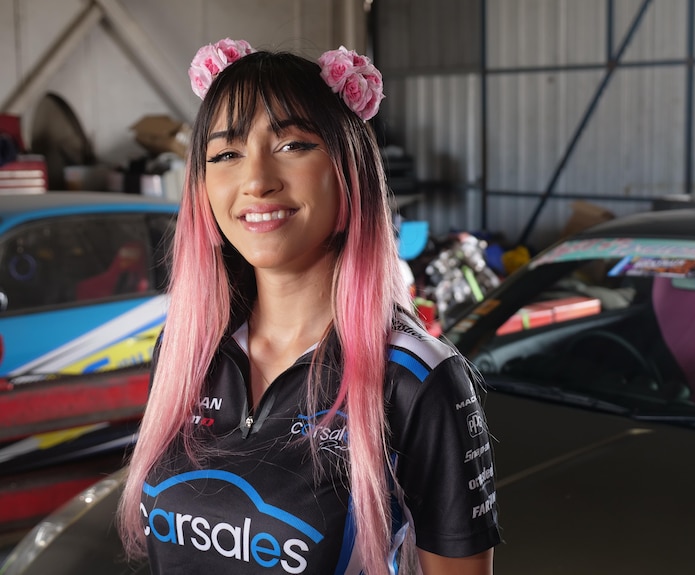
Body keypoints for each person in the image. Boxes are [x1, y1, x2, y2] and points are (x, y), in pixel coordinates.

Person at [116, 38, 500, 575]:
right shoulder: (185, 353)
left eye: (292, 145)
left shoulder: (415, 377)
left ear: (348, 169)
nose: (256, 181)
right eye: (226, 154)